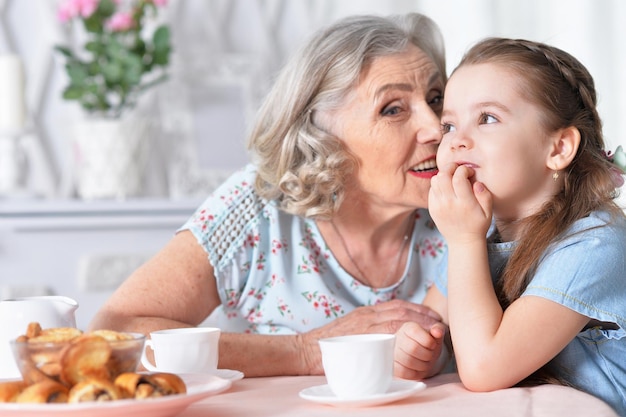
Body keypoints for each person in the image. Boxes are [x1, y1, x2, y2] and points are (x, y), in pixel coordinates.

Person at [90, 13, 451, 378]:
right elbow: (115, 336)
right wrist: (305, 352)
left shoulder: (466, 210)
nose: (435, 128)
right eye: (393, 109)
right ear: (320, 133)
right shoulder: (256, 209)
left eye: (436, 98)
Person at [393, 37, 626, 414]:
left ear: (558, 149)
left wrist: (465, 240)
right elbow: (442, 332)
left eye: (487, 118)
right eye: (449, 124)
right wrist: (422, 352)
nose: (456, 141)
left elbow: (484, 368)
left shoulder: (595, 245)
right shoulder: (478, 234)